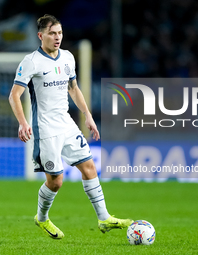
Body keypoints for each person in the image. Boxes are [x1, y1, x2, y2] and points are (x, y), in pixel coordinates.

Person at [9, 14, 133, 239]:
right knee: (56, 182)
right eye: (52, 33)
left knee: (89, 167)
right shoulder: (31, 62)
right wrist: (23, 123)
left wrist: (87, 115)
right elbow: (14, 95)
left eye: (60, 33)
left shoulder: (67, 58)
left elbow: (73, 88)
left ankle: (104, 218)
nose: (57, 38)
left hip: (67, 123)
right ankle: (42, 218)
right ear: (41, 36)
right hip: (44, 128)